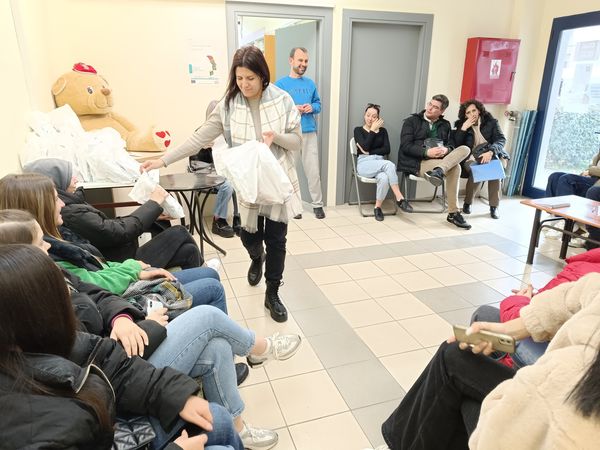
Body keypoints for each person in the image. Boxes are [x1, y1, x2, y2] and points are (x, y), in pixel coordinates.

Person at [0, 210, 303, 450]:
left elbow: (98, 300)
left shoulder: (49, 289)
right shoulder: (30, 414)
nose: (49, 246)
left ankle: (239, 422)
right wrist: (146, 321)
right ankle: (259, 349)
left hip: (124, 355)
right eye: (39, 242)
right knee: (208, 315)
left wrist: (121, 317)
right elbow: (113, 248)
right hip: (124, 385)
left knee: (216, 348)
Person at [0, 243, 244, 450]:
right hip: (115, 424)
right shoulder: (28, 424)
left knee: (218, 385)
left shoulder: (38, 344)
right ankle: (255, 348)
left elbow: (110, 359)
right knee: (208, 309)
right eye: (61, 296)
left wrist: (174, 394)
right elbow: (112, 237)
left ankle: (240, 409)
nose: (48, 245)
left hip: (110, 415)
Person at [141, 46, 303, 323]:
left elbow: (297, 141)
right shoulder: (228, 105)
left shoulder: (282, 100)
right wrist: (163, 160)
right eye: (239, 78)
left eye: (250, 78)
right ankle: (256, 257)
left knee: (277, 240)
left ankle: (273, 292)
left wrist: (275, 137)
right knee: (250, 236)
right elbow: (198, 137)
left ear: (263, 76)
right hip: (247, 184)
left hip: (276, 181)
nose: (244, 85)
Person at [379, 272, 600, 449]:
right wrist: (509, 329)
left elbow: (501, 437)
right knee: (455, 355)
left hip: (562, 405)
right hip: (560, 385)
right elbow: (583, 292)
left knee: (460, 395)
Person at [0, 173, 225, 312]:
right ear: (38, 206)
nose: (61, 203)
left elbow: (98, 264)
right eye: (55, 198)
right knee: (205, 274)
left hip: (120, 274)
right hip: (124, 291)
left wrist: (134, 269)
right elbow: (100, 274)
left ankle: (199, 308)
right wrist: (133, 268)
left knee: (190, 250)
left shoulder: (54, 235)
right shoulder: (51, 248)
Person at [23, 158, 203, 268]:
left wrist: (153, 212)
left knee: (186, 248)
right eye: (70, 176)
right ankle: (203, 275)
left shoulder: (71, 203)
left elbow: (106, 227)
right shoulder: (70, 212)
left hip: (116, 253)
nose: (76, 178)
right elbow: (117, 232)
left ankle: (200, 275)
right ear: (57, 180)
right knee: (179, 232)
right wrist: (154, 202)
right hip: (120, 260)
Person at [397, 94, 472, 229]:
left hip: (440, 161)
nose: (430, 108)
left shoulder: (445, 125)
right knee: (456, 168)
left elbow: (451, 145)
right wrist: (426, 152)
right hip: (418, 162)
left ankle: (438, 171)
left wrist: (446, 150)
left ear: (442, 111)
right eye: (430, 104)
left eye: (435, 107)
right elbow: (405, 146)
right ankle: (453, 213)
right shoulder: (411, 121)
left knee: (465, 149)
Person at [275, 47, 325, 220]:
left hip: (309, 133)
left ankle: (317, 204)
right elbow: (276, 109)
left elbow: (318, 104)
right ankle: (294, 206)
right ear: (291, 61)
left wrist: (312, 107)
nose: (303, 64)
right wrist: (293, 109)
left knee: (313, 171)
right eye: (300, 60)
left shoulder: (310, 84)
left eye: (306, 61)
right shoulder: (280, 85)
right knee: (291, 171)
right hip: (290, 135)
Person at [353, 103, 412, 221]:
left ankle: (377, 208)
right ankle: (399, 197)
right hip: (364, 164)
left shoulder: (383, 131)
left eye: (374, 116)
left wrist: (369, 152)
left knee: (384, 178)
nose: (370, 118)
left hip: (380, 163)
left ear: (378, 118)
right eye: (368, 115)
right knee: (389, 164)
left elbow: (386, 150)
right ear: (364, 115)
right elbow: (365, 145)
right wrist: (372, 130)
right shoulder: (358, 130)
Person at [453, 99, 509, 219]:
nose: (472, 114)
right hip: (471, 157)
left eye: (474, 110)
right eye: (468, 112)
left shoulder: (491, 122)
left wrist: (491, 151)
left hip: (490, 154)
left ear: (479, 110)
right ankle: (468, 202)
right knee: (477, 169)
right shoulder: (461, 125)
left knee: (494, 170)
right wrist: (463, 128)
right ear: (465, 115)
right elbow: (457, 145)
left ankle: (494, 206)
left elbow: (501, 139)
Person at [189, 100, 235, 239]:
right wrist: (201, 147)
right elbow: (191, 154)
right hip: (202, 173)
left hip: (220, 171)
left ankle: (238, 218)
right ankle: (218, 220)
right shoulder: (201, 131)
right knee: (227, 186)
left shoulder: (226, 133)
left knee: (238, 181)